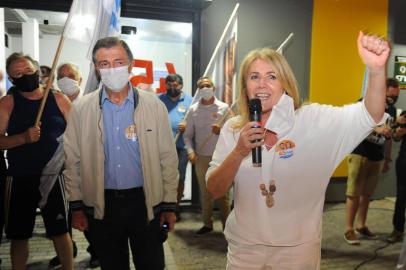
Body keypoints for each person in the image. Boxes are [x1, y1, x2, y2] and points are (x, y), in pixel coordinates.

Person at [206, 32, 390, 269]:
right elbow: (214, 188)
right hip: (245, 248)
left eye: (272, 76)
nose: (262, 84)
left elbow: (370, 115)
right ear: (245, 86)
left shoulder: (312, 120)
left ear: (285, 82)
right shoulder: (233, 129)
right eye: (254, 77)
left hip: (296, 251)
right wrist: (239, 152)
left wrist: (376, 71)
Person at [63, 36, 178, 270]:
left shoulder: (153, 106)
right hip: (102, 206)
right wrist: (76, 207)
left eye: (118, 61)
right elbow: (72, 161)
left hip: (145, 204)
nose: (112, 69)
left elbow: (168, 158)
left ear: (130, 64)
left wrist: (169, 205)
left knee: (152, 265)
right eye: (104, 63)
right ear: (96, 68)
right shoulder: (81, 109)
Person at [0, 53, 73, 270]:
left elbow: (78, 135)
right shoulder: (7, 103)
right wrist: (22, 138)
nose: (25, 76)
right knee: (19, 235)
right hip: (20, 177)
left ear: (38, 72)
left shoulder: (59, 99)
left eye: (29, 71)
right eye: (18, 74)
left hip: (54, 177)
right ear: (12, 80)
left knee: (61, 232)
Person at [48, 62, 99, 268]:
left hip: (84, 168)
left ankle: (96, 250)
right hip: (57, 168)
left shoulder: (90, 103)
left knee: (88, 212)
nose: (66, 79)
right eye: (61, 75)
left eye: (71, 75)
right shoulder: (50, 103)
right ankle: (66, 251)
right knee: (61, 213)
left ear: (79, 79)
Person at [344, 78, 399, 245]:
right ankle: (349, 229)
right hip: (360, 154)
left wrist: (387, 158)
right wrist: (376, 128)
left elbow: (389, 135)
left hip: (377, 157)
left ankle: (361, 226)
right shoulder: (366, 102)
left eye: (395, 97)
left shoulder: (391, 109)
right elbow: (354, 120)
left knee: (367, 194)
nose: (392, 100)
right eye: (390, 96)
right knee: (354, 194)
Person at [183, 76, 231, 235]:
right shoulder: (193, 110)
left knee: (223, 195)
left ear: (213, 88)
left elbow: (236, 130)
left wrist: (222, 129)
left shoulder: (224, 108)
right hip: (201, 157)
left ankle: (228, 226)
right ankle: (207, 224)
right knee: (205, 194)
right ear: (198, 90)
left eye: (208, 85)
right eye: (202, 86)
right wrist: (190, 152)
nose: (205, 88)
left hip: (221, 157)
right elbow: (187, 136)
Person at [159, 73, 193, 220]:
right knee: (162, 177)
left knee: (179, 178)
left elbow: (195, 124)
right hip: (163, 146)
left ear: (181, 86)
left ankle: (175, 207)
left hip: (182, 147)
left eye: (176, 85)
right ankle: (161, 206)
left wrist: (187, 124)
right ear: (166, 85)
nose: (172, 88)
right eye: (169, 85)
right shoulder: (158, 100)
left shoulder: (190, 101)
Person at [387, 109, 406, 243]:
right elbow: (395, 136)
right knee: (401, 196)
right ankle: (398, 230)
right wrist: (398, 133)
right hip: (404, 161)